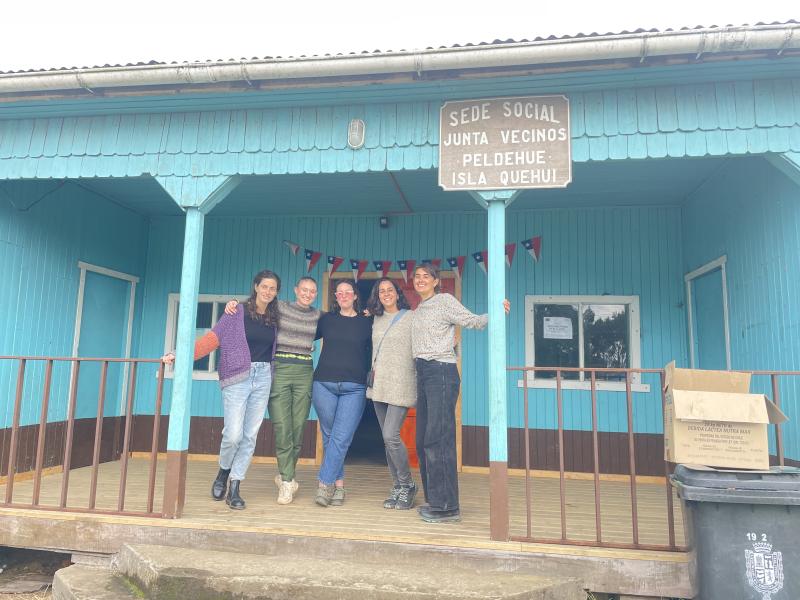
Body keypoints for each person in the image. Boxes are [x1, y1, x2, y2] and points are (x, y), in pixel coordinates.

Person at [163, 270, 280, 510]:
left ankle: (235, 486)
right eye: (264, 286)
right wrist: (178, 354)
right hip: (237, 377)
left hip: (264, 377)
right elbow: (212, 339)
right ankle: (223, 471)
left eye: (273, 288)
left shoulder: (275, 317)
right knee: (234, 434)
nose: (268, 291)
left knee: (250, 436)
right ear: (256, 286)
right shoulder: (236, 312)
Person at [411, 263, 510, 524]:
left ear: (436, 281)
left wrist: (496, 312)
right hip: (423, 372)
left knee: (438, 438)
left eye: (426, 276)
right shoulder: (419, 309)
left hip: (441, 372)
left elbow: (473, 321)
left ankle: (447, 507)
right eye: (417, 276)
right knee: (422, 440)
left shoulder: (444, 301)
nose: (420, 280)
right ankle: (435, 499)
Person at [225, 276, 321, 505]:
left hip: (304, 372)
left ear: (316, 294)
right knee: (282, 427)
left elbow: (339, 323)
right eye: (304, 289)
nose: (307, 294)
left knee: (298, 428)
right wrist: (233, 303)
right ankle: (287, 481)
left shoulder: (319, 316)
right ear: (296, 290)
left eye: (312, 291)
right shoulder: (280, 308)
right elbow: (257, 306)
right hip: (279, 370)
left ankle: (286, 475)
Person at [312, 279, 373, 507]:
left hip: (354, 387)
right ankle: (338, 486)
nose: (344, 295)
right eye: (340, 292)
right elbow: (301, 331)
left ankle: (324, 484)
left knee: (340, 438)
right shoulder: (326, 320)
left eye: (348, 292)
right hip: (323, 384)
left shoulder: (368, 322)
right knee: (330, 436)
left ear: (355, 296)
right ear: (335, 297)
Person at [364, 278, 418, 510]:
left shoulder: (411, 317)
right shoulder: (374, 319)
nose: (386, 294)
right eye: (381, 291)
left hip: (401, 384)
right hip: (380, 385)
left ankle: (407, 484)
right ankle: (397, 485)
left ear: (397, 293)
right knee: (388, 440)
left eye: (390, 290)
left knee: (390, 435)